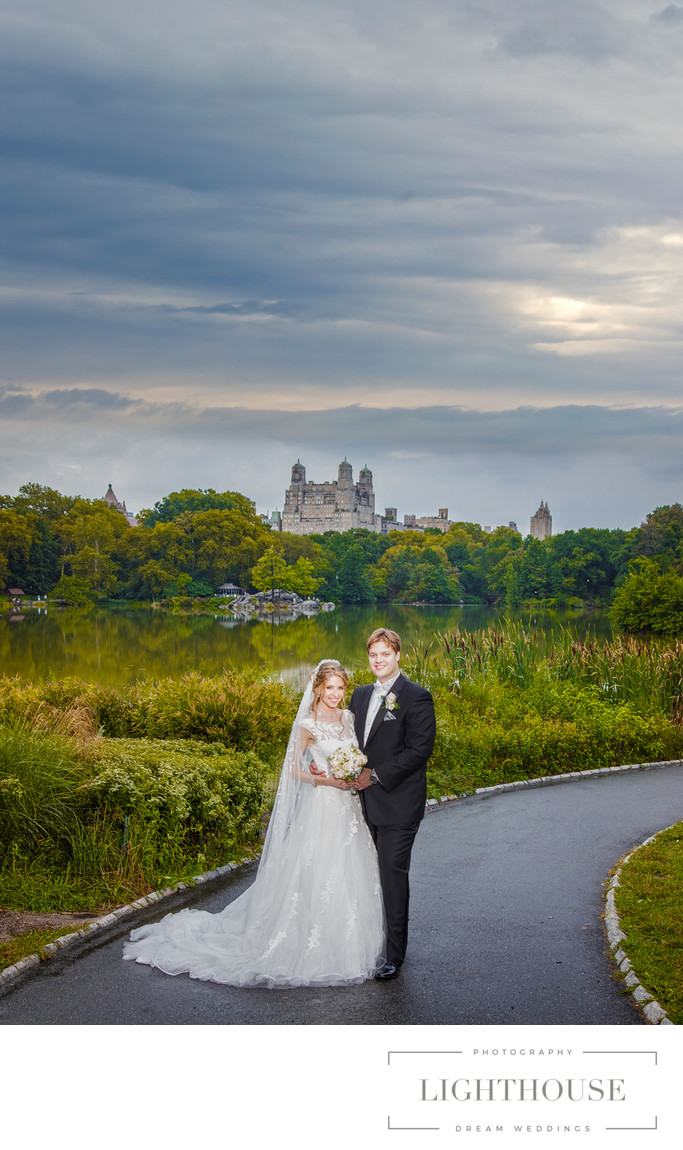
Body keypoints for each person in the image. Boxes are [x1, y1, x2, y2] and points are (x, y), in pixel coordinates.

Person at [123, 660, 385, 987]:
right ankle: (308, 945)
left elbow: (360, 754)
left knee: (350, 872)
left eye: (340, 688)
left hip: (349, 808)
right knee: (314, 872)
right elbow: (293, 771)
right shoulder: (307, 725)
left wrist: (355, 772)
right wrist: (326, 780)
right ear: (317, 688)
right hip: (323, 806)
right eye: (329, 687)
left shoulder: (349, 719)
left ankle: (351, 944)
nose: (335, 694)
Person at [348, 628, 436, 980]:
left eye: (385, 653)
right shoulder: (359, 695)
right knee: (364, 875)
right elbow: (348, 742)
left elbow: (420, 751)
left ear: (398, 654)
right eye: (373, 654)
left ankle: (394, 956)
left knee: (391, 876)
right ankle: (366, 941)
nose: (379, 660)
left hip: (399, 805)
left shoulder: (416, 697)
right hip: (362, 805)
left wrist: (376, 775)